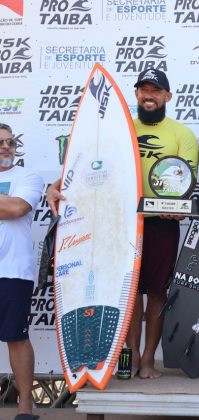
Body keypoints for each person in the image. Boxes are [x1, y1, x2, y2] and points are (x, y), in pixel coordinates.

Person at [46, 69, 199, 379]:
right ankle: (126, 359)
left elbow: (186, 180)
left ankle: (147, 362)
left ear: (167, 96)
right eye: (143, 90)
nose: (149, 95)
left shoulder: (182, 134)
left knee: (157, 293)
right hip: (118, 223)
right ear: (137, 95)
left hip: (160, 222)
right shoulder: (119, 129)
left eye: (155, 90)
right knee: (125, 290)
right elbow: (87, 164)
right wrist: (56, 184)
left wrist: (179, 204)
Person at [0, 123, 44, 420]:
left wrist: (9, 204)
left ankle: (25, 406)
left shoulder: (28, 176)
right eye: (0, 142)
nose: (6, 147)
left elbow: (16, 208)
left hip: (12, 270)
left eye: (10, 142)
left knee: (17, 336)